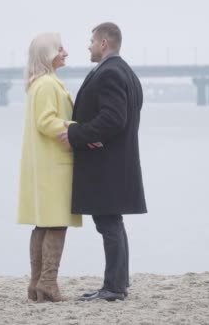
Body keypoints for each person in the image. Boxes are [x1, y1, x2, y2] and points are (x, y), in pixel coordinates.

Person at [58, 22, 148, 301]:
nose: (88, 46)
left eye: (91, 41)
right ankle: (116, 284)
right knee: (112, 223)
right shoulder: (126, 72)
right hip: (117, 162)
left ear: (104, 43)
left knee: (109, 224)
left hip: (108, 165)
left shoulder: (110, 73)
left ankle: (114, 288)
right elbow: (120, 118)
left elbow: (113, 118)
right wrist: (96, 136)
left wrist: (76, 134)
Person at [17, 32, 82, 303]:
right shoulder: (46, 84)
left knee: (43, 224)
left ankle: (36, 285)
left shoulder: (40, 83)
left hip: (44, 164)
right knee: (55, 224)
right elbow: (46, 122)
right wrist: (79, 130)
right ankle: (47, 283)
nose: (65, 52)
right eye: (60, 49)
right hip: (53, 166)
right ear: (48, 54)